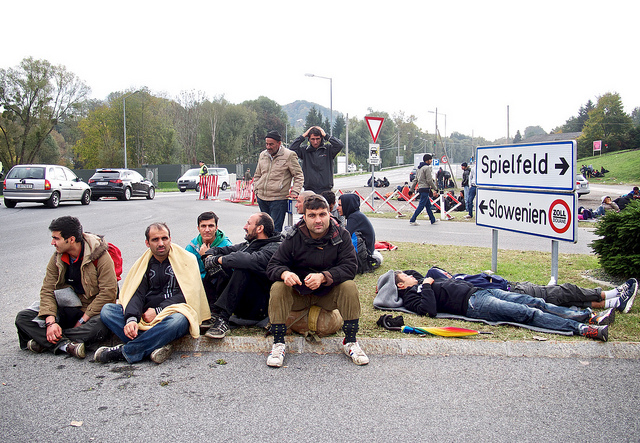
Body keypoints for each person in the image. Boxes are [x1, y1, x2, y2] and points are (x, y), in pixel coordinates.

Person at [265, 194, 368, 367]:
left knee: (349, 286)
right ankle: (278, 343)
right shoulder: (293, 235)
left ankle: (350, 341)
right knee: (278, 287)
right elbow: (273, 265)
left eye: (322, 214)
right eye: (312, 215)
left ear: (330, 214)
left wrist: (323, 277)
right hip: (299, 293)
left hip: (328, 294)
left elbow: (351, 267)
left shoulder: (341, 234)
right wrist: (285, 274)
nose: (318, 220)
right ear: (304, 217)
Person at [95, 223, 210, 364]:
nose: (161, 243)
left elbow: (188, 295)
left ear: (170, 239)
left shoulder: (187, 259)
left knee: (179, 321)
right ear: (147, 243)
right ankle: (155, 344)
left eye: (164, 238)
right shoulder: (143, 263)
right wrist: (131, 319)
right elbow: (137, 293)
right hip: (144, 316)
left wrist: (158, 310)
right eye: (155, 240)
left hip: (172, 313)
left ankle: (127, 351)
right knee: (108, 310)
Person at [393, 272, 611, 341]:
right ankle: (583, 329)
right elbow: (429, 311)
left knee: (536, 301)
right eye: (406, 277)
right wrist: (428, 286)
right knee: (527, 313)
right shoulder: (412, 297)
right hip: (474, 304)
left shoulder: (419, 283)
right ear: (401, 285)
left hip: (480, 291)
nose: (413, 276)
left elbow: (423, 274)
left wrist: (425, 281)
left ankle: (586, 316)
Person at [15, 216, 117, 359]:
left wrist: (82, 321)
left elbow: (108, 293)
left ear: (71, 239)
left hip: (90, 312)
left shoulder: (100, 255)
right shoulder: (57, 257)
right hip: (66, 307)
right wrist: (50, 322)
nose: (52, 243)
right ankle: (66, 345)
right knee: (23, 317)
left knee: (99, 327)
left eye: (56, 238)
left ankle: (44, 341)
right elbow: (48, 289)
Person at [405, 267, 637, 312]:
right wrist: (420, 282)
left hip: (508, 287)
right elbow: (430, 273)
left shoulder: (453, 279)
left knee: (558, 300)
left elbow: (426, 272)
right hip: (512, 289)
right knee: (562, 293)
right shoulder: (442, 282)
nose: (445, 274)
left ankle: (612, 303)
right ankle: (611, 294)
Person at [201, 213, 281, 339]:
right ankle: (214, 313)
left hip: (260, 307)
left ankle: (223, 319)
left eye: (249, 223)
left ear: (260, 228)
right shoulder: (249, 244)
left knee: (242, 267)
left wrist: (218, 259)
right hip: (243, 302)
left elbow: (248, 260)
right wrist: (209, 256)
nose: (245, 227)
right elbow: (222, 250)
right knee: (215, 268)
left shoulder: (275, 247)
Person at [253, 130, 304, 234]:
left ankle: (274, 250)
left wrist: (295, 192)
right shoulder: (263, 155)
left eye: (271, 144)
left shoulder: (289, 155)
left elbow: (298, 175)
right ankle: (263, 250)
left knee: (274, 231)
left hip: (278, 200)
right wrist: (256, 188)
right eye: (266, 144)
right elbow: (258, 174)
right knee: (263, 230)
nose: (268, 147)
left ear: (279, 143)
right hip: (262, 198)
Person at [185, 212, 232, 306]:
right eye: (203, 226)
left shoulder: (226, 246)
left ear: (216, 227)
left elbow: (229, 275)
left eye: (211, 226)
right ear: (198, 228)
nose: (207, 230)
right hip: (197, 285)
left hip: (219, 287)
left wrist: (207, 256)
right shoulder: (192, 246)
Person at [290, 126, 344, 194]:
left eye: (317, 139)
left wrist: (326, 136)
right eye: (313, 139)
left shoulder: (328, 149)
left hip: (326, 190)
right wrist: (303, 136)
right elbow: (292, 149)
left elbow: (340, 145)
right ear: (309, 139)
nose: (315, 142)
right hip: (309, 190)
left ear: (321, 138)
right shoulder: (304, 151)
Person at [338, 193, 382, 273]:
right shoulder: (356, 215)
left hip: (364, 256)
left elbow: (344, 237)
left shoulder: (354, 217)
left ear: (347, 205)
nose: (337, 208)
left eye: (340, 205)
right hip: (369, 252)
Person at [409, 153, 437, 226]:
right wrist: (435, 188)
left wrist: (411, 190)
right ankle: (413, 219)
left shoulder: (419, 168)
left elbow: (415, 180)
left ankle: (432, 219)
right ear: (427, 160)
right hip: (425, 188)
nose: (431, 161)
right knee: (421, 205)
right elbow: (429, 180)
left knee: (428, 205)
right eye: (430, 159)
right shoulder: (427, 168)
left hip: (420, 188)